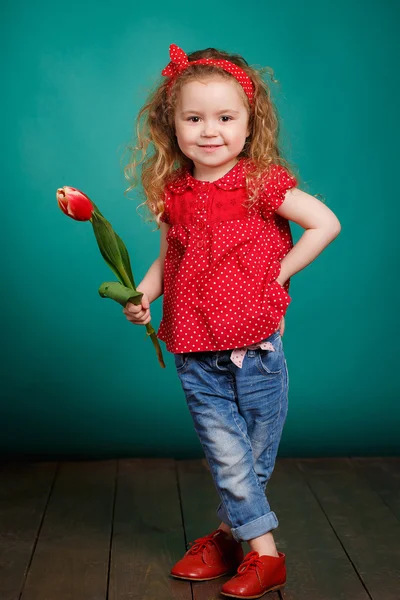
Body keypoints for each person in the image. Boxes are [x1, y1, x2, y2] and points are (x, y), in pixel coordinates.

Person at [123, 43, 341, 598]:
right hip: (196, 349)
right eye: (193, 118)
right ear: (171, 125)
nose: (209, 130)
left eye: (225, 117)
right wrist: (143, 294)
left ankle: (226, 536)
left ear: (250, 123)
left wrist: (277, 275)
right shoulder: (175, 193)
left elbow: (324, 223)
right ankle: (266, 557)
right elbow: (170, 255)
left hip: (256, 350)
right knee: (229, 453)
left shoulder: (259, 184)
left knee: (250, 455)